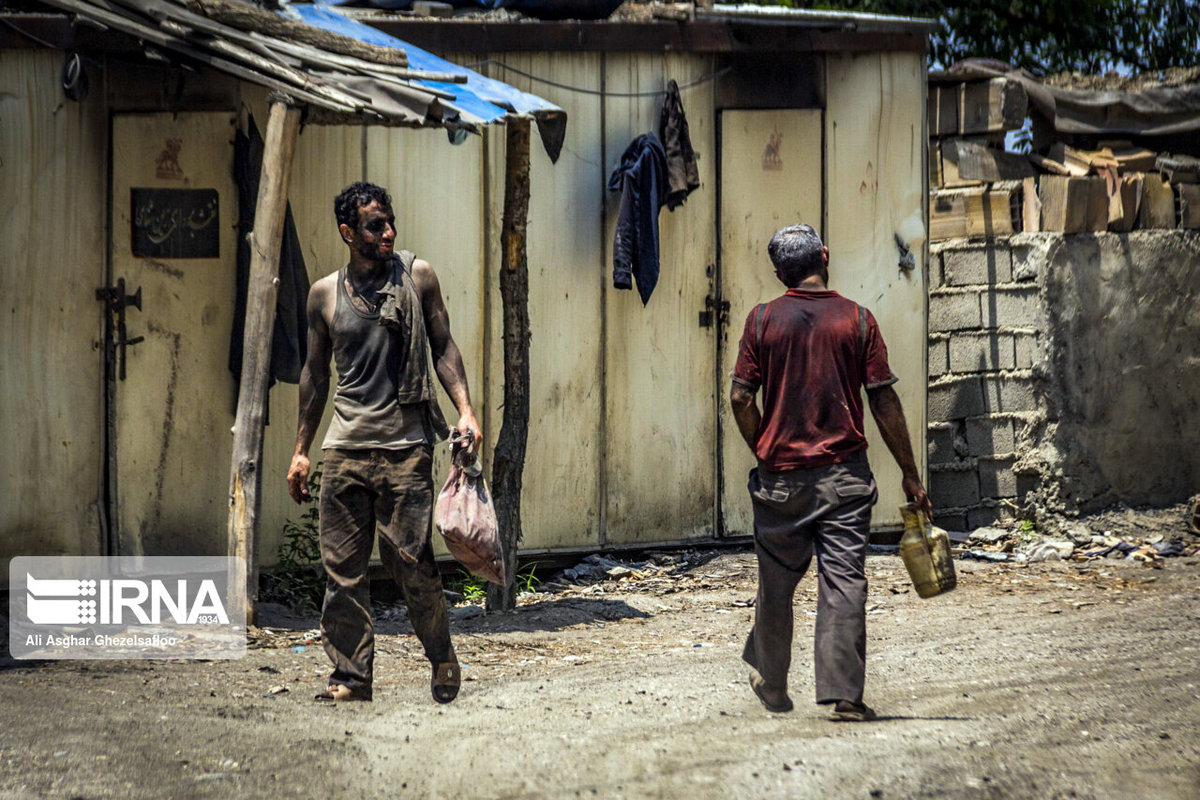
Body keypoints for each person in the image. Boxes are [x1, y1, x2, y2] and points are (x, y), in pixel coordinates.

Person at [287, 181, 482, 703]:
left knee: (413, 568)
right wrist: (302, 449)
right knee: (342, 576)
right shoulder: (324, 294)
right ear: (349, 233)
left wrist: (465, 409)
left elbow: (443, 346)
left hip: (406, 448)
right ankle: (351, 678)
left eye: (390, 221)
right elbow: (314, 374)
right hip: (345, 449)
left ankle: (441, 656)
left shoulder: (417, 277)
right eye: (376, 226)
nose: (389, 232)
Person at [729, 223, 932, 722]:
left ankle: (772, 684)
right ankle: (844, 696)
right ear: (825, 254)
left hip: (780, 482)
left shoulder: (761, 322)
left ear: (781, 274)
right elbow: (883, 398)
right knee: (844, 583)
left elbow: (739, 397)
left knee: (775, 584)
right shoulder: (857, 321)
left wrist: (765, 449)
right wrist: (911, 474)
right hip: (844, 482)